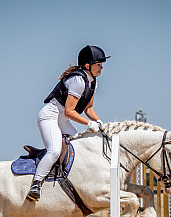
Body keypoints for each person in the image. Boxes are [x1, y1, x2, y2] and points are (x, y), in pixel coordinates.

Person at [26, 45, 110, 202]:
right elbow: (69, 111)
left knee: (81, 147)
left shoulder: (92, 82)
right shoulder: (78, 80)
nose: (101, 67)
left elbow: (88, 108)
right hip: (50, 116)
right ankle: (36, 184)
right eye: (98, 64)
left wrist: (98, 122)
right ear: (87, 65)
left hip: (62, 120)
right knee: (54, 151)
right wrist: (88, 124)